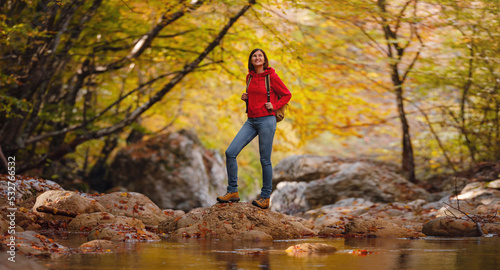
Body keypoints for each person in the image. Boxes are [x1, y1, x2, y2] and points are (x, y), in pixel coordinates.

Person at [216, 48, 292, 209]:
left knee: (265, 160)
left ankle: (265, 197)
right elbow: (256, 97)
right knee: (230, 152)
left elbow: (287, 94)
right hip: (251, 121)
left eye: (260, 56)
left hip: (267, 120)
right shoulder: (249, 77)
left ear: (264, 60)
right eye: (254, 56)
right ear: (251, 60)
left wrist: (275, 105)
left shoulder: (271, 76)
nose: (257, 58)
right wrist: (247, 99)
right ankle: (233, 191)